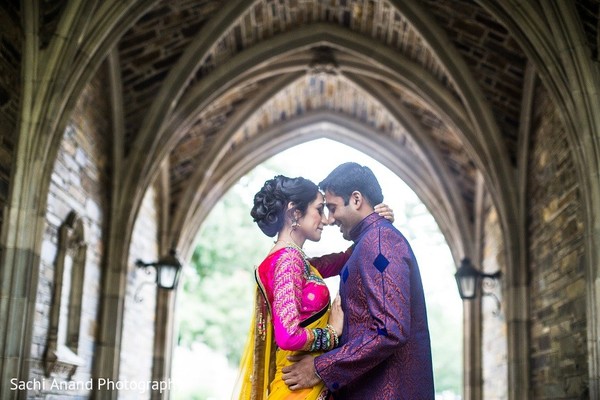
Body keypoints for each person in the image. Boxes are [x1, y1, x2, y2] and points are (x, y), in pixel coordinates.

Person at [281, 162, 435, 399]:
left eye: (332, 208)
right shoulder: (368, 242)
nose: (330, 219)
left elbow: (389, 330)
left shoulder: (380, 243)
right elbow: (314, 266)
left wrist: (320, 368)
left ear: (355, 199)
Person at [234, 175, 394, 399]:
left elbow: (345, 259)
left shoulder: (296, 261)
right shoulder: (287, 261)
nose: (327, 220)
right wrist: (332, 332)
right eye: (319, 209)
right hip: (297, 388)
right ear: (295, 212)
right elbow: (288, 337)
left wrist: (374, 223)